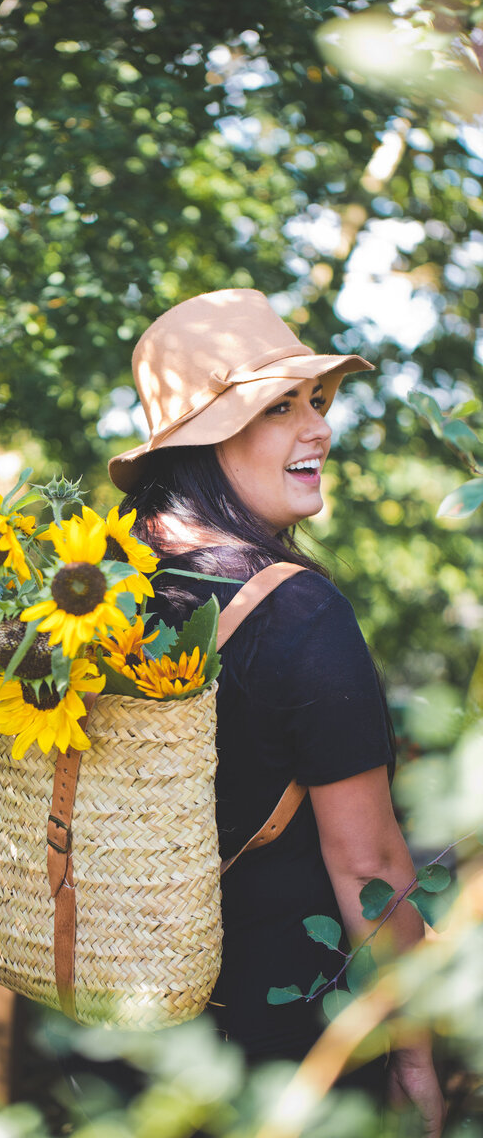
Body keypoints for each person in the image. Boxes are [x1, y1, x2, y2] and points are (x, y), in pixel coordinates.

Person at [108, 289, 445, 1135]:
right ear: (204, 442)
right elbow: (366, 863)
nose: (319, 429)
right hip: (285, 1049)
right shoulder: (301, 614)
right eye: (279, 407)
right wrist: (412, 1051)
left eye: (315, 402)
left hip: (125, 1032)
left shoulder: (93, 598)